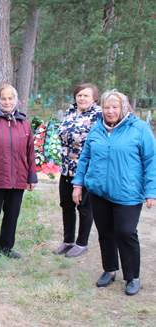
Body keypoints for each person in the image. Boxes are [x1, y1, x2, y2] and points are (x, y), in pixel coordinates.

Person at [72, 90, 156, 296]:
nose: (110, 111)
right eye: (107, 107)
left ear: (124, 108)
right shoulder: (96, 129)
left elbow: (151, 161)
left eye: (115, 107)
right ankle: (109, 270)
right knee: (106, 233)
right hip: (99, 192)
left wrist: (151, 191)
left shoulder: (140, 129)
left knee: (126, 233)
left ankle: (132, 277)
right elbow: (85, 158)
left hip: (128, 192)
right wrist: (78, 184)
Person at [0, 85, 37, 265]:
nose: (7, 102)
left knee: (12, 215)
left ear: (16, 100)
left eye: (10, 99)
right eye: (3, 98)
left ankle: (5, 247)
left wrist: (32, 176)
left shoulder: (24, 122)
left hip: (18, 178)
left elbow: (30, 151)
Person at [54, 83, 102, 257]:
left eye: (86, 96)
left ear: (94, 99)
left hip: (85, 170)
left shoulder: (98, 116)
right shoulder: (70, 111)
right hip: (66, 168)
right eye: (79, 95)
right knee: (66, 205)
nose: (81, 98)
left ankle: (82, 243)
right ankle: (68, 241)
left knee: (83, 207)